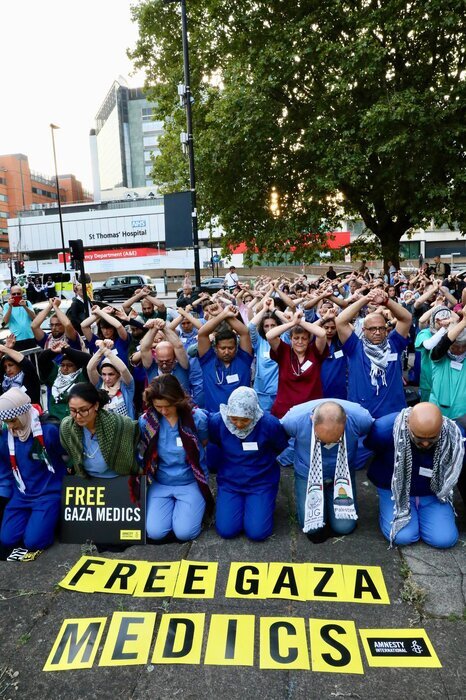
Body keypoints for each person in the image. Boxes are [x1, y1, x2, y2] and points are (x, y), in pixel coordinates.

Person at [365, 403, 464, 548]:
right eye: (419, 437)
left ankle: (425, 514)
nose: (425, 443)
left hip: (433, 493)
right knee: (402, 536)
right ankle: (388, 510)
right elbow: (372, 446)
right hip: (394, 491)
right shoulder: (384, 430)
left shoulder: (455, 436)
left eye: (431, 439)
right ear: (407, 424)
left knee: (444, 539)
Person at [281, 400, 373, 542]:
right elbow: (278, 438)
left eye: (334, 439)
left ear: (346, 421)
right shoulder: (293, 420)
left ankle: (329, 499)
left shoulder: (361, 418)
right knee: (312, 528)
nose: (328, 444)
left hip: (341, 474)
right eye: (322, 439)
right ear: (312, 420)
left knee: (344, 527)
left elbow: (373, 436)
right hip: (308, 473)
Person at [138, 375, 213, 542]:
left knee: (184, 533)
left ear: (178, 400)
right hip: (161, 482)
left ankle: (189, 510)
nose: (163, 411)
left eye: (168, 406)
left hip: (190, 481)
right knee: (155, 532)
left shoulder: (196, 418)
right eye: (158, 407)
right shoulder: (146, 422)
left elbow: (204, 441)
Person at [208, 387, 288, 541]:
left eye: (245, 419)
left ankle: (263, 502)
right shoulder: (218, 421)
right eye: (234, 418)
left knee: (257, 533)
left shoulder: (269, 423)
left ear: (254, 414)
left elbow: (279, 446)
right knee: (226, 531)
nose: (238, 424)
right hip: (230, 481)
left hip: (261, 481)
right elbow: (215, 442)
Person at [0, 389, 67, 556]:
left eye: (12, 421)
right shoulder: (4, 436)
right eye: (6, 422)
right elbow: (6, 469)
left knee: (34, 542)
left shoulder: (48, 430)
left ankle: (51, 521)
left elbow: (67, 456)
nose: (11, 426)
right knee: (7, 539)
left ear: (22, 413)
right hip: (21, 494)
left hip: (48, 493)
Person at [335, 287, 411, 418]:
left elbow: (406, 318)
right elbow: (340, 321)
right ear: (364, 330)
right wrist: (366, 298)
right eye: (372, 329)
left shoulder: (393, 343)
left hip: (393, 413)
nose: (377, 332)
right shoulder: (355, 346)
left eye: (381, 328)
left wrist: (387, 301)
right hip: (362, 414)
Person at [60, 383, 139, 479]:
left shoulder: (120, 425)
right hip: (85, 481)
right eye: (72, 410)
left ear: (96, 405)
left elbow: (135, 439)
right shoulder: (67, 427)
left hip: (119, 481)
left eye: (83, 410)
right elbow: (71, 455)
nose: (78, 416)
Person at [266, 310, 327, 418]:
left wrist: (301, 322)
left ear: (309, 340)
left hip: (310, 411)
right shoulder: (284, 351)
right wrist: (293, 323)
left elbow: (322, 334)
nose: (300, 342)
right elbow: (270, 335)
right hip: (284, 411)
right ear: (290, 339)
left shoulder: (314, 352)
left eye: (304, 338)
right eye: (296, 338)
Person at [197, 304, 253, 412]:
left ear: (236, 347)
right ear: (216, 348)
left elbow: (244, 333)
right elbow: (202, 334)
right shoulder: (207, 361)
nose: (227, 352)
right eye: (223, 348)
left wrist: (225, 313)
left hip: (242, 419)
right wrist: (222, 314)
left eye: (230, 348)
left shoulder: (243, 360)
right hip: (214, 419)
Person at [38, 344, 90, 421]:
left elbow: (88, 359)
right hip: (55, 420)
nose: (65, 368)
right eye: (62, 365)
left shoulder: (82, 376)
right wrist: (53, 351)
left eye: (70, 365)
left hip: (76, 419)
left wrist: (66, 350)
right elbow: (42, 359)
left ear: (77, 367)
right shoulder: (56, 374)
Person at [430, 315, 466, 421]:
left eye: (464, 346)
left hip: (463, 416)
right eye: (455, 346)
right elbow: (443, 343)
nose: (459, 349)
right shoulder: (438, 356)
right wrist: (463, 323)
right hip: (438, 414)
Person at [86, 340, 135, 418]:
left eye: (111, 374)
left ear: (118, 374)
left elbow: (123, 370)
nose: (107, 378)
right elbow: (90, 368)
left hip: (126, 428)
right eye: (104, 374)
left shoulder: (126, 386)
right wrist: (101, 350)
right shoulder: (99, 385)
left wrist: (106, 351)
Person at [0, 338, 41, 404]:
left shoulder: (29, 377)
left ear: (19, 365)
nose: (8, 370)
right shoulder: (4, 382)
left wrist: (5, 349)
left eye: (11, 365)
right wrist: (2, 353)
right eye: (5, 367)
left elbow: (25, 362)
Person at [2, 285, 36, 350]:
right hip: (16, 340)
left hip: (30, 337)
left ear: (22, 294)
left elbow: (34, 318)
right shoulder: (7, 305)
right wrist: (10, 307)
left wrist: (25, 306)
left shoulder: (27, 303)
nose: (16, 295)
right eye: (14, 294)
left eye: (18, 293)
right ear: (10, 295)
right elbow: (4, 322)